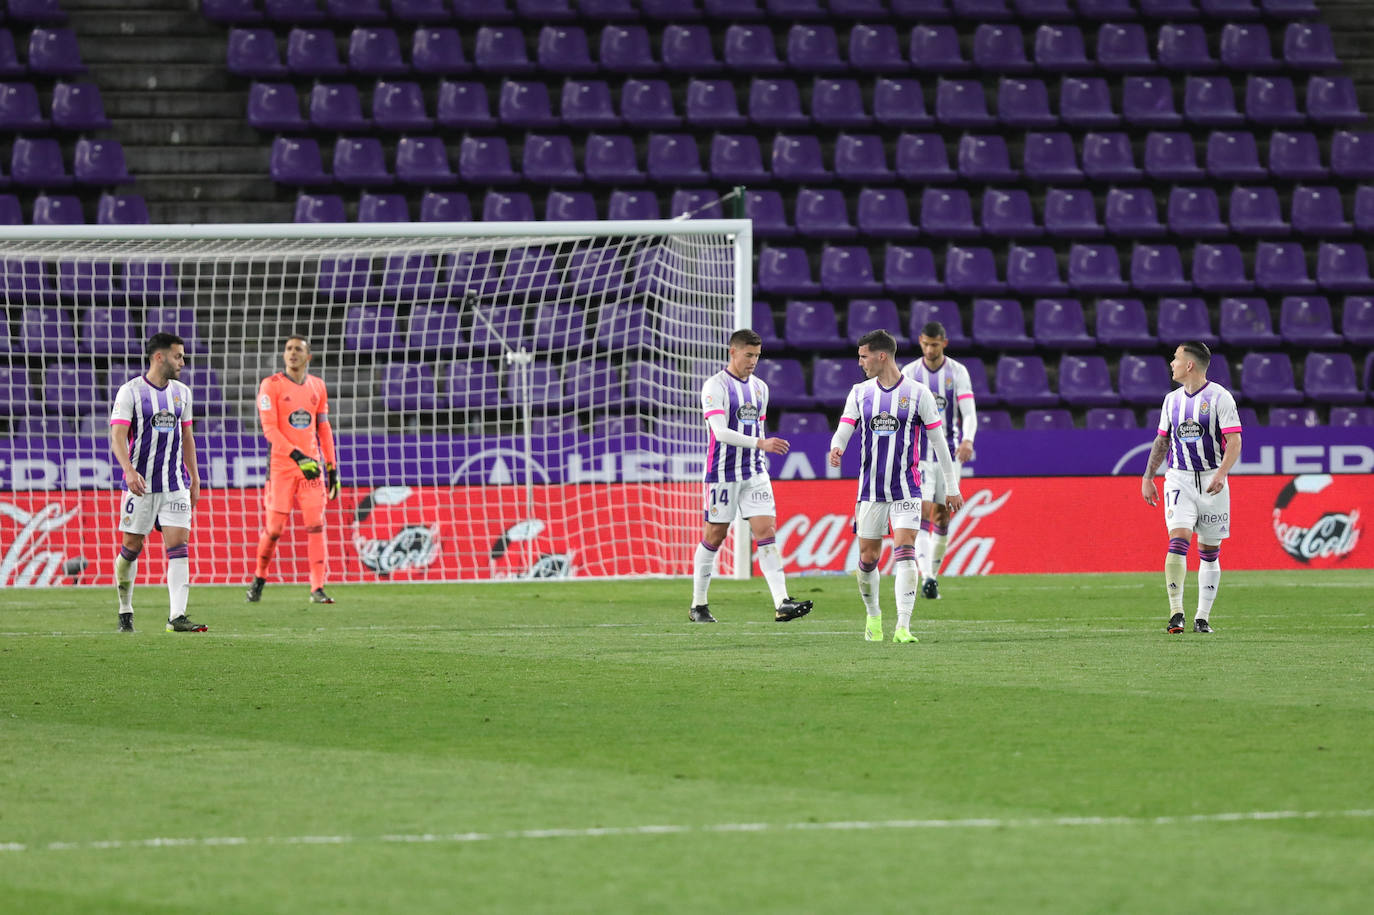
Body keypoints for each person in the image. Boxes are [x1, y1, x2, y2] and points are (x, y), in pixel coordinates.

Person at [829, 330, 964, 643]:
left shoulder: (918, 394)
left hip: (907, 489)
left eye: (864, 357)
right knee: (868, 559)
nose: (860, 363)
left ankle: (903, 626)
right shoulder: (860, 392)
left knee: (906, 552)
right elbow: (844, 427)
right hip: (870, 492)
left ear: (881, 356)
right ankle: (873, 615)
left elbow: (940, 443)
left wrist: (951, 487)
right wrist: (837, 447)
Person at [689, 328, 813, 624]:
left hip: (755, 472)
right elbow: (719, 432)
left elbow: (756, 428)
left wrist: (759, 447)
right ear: (732, 352)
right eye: (748, 355)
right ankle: (698, 605)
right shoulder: (715, 386)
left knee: (766, 531)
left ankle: (781, 602)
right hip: (723, 473)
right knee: (714, 535)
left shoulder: (760, 388)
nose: (753, 361)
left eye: (757, 355)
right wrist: (761, 443)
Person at [1141, 341, 1243, 635]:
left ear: (1190, 365)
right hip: (1179, 478)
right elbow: (1162, 441)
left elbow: (1234, 441)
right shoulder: (1171, 400)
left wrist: (1222, 473)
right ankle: (1176, 613)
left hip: (1212, 479)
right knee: (1179, 538)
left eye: (1175, 358)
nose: (1171, 363)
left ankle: (1202, 617)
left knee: (1210, 551)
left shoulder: (1220, 397)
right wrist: (1148, 476)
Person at [109, 333, 205, 633]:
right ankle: (125, 608)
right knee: (130, 549)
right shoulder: (131, 392)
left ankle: (177, 617)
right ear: (159, 357)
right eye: (178, 356)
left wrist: (195, 476)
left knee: (179, 546)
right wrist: (128, 470)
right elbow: (118, 436)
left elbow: (187, 436)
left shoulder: (183, 393)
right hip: (142, 486)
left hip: (174, 483)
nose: (183, 362)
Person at [246, 335, 340, 604]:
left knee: (315, 524)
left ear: (308, 357)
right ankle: (259, 577)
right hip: (281, 468)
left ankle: (317, 587)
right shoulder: (270, 385)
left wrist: (331, 466)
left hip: (311, 468)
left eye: (298, 349)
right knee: (274, 530)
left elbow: (323, 427)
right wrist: (298, 456)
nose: (292, 353)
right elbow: (270, 430)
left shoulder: (317, 386)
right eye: (288, 349)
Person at [900, 321, 977, 599]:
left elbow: (968, 412)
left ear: (943, 343)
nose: (929, 349)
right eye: (925, 344)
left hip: (948, 456)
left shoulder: (958, 372)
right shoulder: (909, 372)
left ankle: (932, 575)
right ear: (920, 341)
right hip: (918, 456)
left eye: (935, 344)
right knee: (922, 511)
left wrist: (968, 439)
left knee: (942, 516)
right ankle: (926, 577)